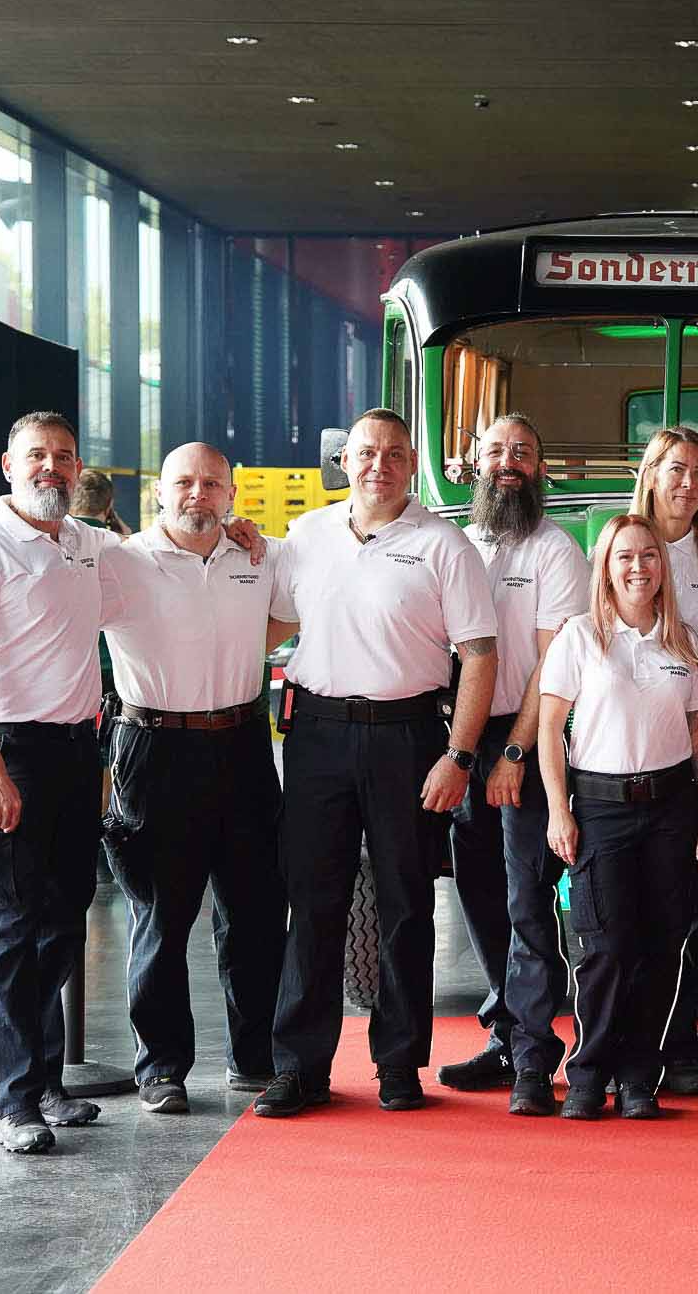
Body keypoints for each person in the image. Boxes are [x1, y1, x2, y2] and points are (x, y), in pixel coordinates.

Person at [256, 408, 498, 1117]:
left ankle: (398, 1063)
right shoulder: (305, 536)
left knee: (405, 902)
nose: (379, 466)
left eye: (394, 453)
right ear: (345, 461)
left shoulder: (444, 544)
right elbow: (276, 622)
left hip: (408, 738)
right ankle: (300, 1068)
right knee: (313, 902)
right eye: (366, 452)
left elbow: (480, 655)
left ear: (412, 462)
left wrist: (459, 756)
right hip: (316, 736)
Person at [0, 411, 119, 1154]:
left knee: (63, 922)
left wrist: (235, 532)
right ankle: (11, 1101)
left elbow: (166, 552)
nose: (52, 466)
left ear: (78, 469)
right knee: (10, 926)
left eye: (64, 456)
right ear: (8, 465)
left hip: (75, 751)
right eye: (37, 455)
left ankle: (44, 1082)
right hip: (8, 752)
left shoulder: (86, 543)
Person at [95, 442, 295, 1114]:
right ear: (160, 490)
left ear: (232, 494)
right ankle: (161, 1068)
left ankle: (254, 1058)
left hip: (242, 744)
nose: (198, 494)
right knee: (161, 914)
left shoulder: (257, 557)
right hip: (153, 748)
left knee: (256, 912)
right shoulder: (122, 561)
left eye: (212, 483)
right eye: (185, 482)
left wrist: (232, 647)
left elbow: (294, 612)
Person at [538, 515, 698, 1119]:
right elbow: (549, 729)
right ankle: (589, 1073)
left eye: (649, 555)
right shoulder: (579, 637)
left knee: (662, 947)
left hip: (672, 809)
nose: (638, 567)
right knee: (607, 947)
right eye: (625, 556)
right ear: (606, 567)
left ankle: (640, 1076)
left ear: (663, 566)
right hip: (600, 809)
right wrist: (558, 810)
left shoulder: (686, 641)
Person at [438, 414, 591, 1103]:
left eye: (522, 452)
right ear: (475, 464)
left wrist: (515, 751)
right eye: (496, 450)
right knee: (478, 892)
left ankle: (533, 1054)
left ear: (540, 469)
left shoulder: (556, 551)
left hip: (522, 742)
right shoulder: (455, 544)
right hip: (459, 741)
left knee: (527, 899)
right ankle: (508, 1036)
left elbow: (553, 666)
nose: (508, 462)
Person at [632, 426, 698, 1096]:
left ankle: (682, 1047)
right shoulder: (620, 550)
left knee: (690, 906)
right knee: (626, 908)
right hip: (629, 742)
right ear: (650, 474)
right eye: (676, 469)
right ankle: (623, 1044)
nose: (689, 483)